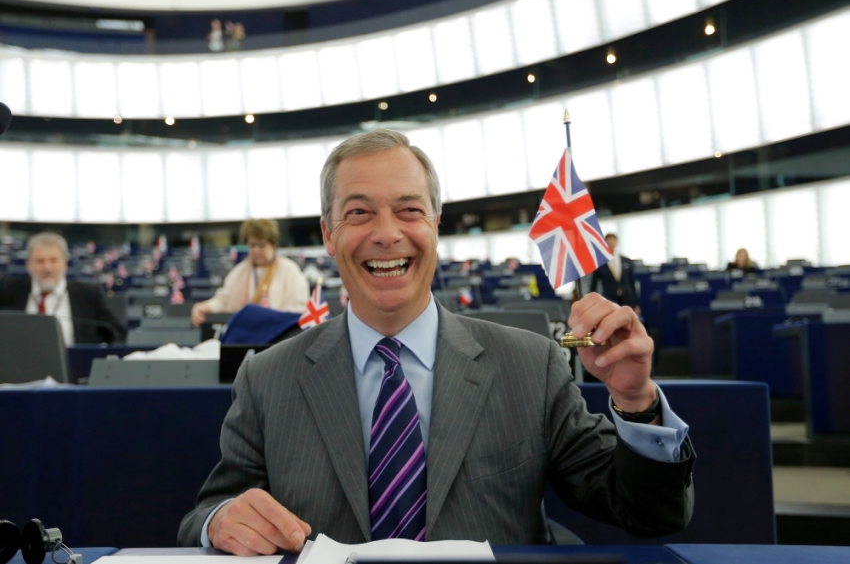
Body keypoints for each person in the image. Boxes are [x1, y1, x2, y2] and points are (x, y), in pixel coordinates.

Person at [178, 130, 694, 552]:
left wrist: (634, 403)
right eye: (359, 212)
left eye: (408, 210)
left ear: (435, 225)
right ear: (328, 234)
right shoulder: (267, 378)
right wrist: (220, 520)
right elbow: (209, 511)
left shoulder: (530, 364)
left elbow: (648, 514)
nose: (387, 233)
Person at [0, 232, 126, 345]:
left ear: (65, 263)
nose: (47, 268)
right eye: (40, 261)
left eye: (54, 260)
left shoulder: (88, 294)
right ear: (28, 265)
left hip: (75, 368)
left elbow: (117, 334)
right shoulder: (8, 291)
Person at [191, 219, 309, 327]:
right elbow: (223, 300)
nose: (256, 250)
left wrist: (271, 319)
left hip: (279, 335)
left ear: (273, 244)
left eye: (261, 245)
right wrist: (204, 307)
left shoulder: (290, 271)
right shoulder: (239, 272)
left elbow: (299, 307)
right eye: (252, 245)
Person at [590, 233, 640, 315]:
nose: (611, 245)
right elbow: (593, 286)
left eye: (612, 242)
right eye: (609, 243)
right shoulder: (600, 263)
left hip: (627, 300)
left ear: (616, 243)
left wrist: (636, 304)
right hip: (609, 300)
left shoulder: (626, 261)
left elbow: (632, 283)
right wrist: (594, 304)